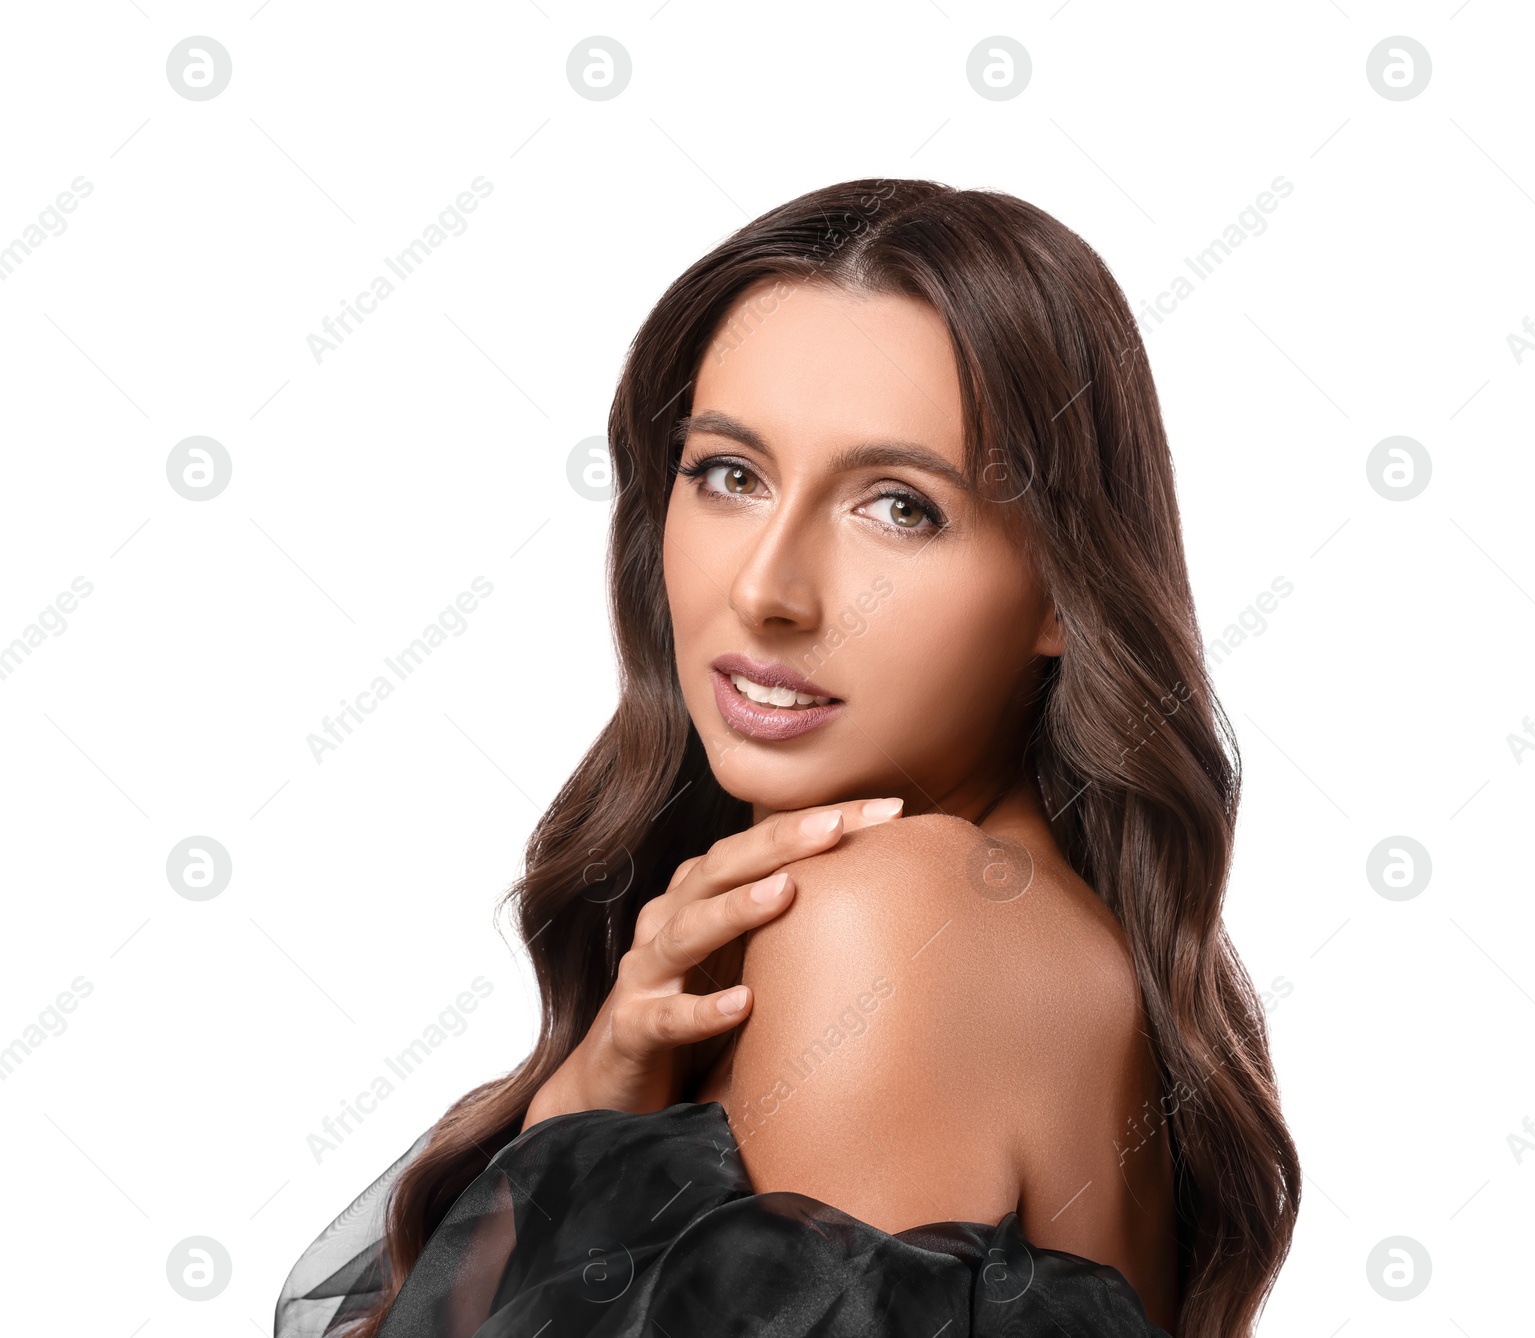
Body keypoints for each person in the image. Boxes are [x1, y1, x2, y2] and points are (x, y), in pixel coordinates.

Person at [275, 178, 1300, 1338]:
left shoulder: (891, 919)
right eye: (728, 474)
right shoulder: (1012, 920)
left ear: (1065, 589)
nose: (765, 589)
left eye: (899, 507)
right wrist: (584, 1108)